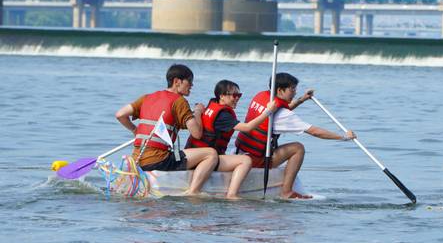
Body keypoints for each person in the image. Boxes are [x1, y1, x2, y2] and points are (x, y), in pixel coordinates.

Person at [235, 72, 356, 199]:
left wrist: (302, 100)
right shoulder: (283, 114)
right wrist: (343, 137)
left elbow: (280, 110)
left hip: (240, 152)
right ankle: (286, 192)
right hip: (256, 160)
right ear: (280, 90)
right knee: (298, 148)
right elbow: (314, 131)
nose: (295, 92)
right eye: (292, 89)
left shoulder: (261, 97)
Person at [115, 64, 218, 196]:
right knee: (211, 154)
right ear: (177, 81)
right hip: (158, 161)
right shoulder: (180, 101)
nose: (192, 85)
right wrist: (198, 112)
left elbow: (120, 114)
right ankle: (194, 191)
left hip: (137, 160)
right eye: (189, 81)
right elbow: (197, 133)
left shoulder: (147, 97)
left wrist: (134, 130)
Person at [185, 80, 277, 199]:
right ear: (222, 96)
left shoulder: (211, 106)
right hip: (206, 160)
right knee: (245, 160)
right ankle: (232, 194)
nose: (237, 98)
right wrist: (268, 111)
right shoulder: (223, 115)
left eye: (239, 95)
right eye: (234, 95)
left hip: (194, 154)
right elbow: (247, 127)